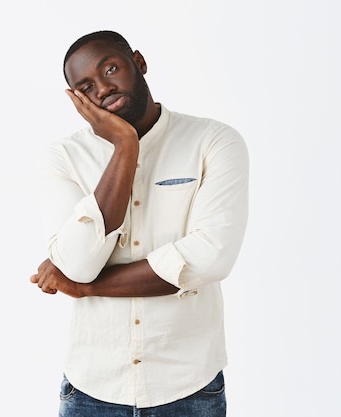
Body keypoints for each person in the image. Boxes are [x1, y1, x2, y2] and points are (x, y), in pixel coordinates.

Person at [30, 30, 249, 417]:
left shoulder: (214, 141)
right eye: (86, 86)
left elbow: (211, 257)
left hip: (190, 387)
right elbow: (78, 262)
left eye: (110, 68)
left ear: (139, 62)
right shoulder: (63, 157)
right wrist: (125, 147)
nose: (102, 88)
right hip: (91, 388)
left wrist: (84, 287)